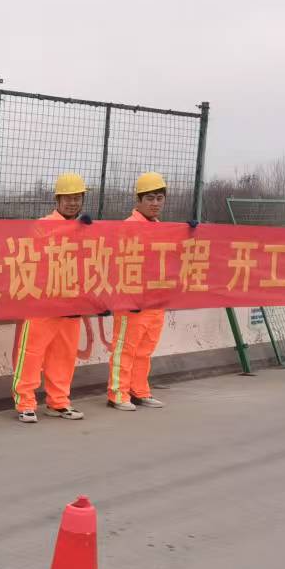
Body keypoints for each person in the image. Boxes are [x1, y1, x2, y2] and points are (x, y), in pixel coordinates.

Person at [11, 173, 93, 423]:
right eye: (67, 197)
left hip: (72, 303)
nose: (72, 202)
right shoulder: (42, 225)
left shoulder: (87, 228)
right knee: (31, 353)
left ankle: (59, 402)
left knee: (64, 354)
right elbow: (28, 257)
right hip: (43, 303)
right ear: (57, 199)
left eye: (77, 197)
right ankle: (25, 403)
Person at [107, 172, 171, 411]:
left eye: (159, 198)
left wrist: (190, 234)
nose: (155, 203)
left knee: (145, 350)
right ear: (139, 200)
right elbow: (116, 265)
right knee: (125, 348)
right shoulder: (129, 227)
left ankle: (139, 391)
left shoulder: (162, 228)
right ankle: (117, 393)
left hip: (155, 301)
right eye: (150, 198)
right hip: (132, 301)